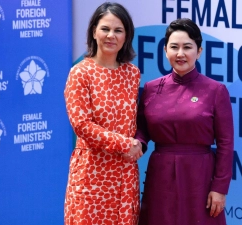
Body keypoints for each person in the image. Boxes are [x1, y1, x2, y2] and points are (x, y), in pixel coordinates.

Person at [135, 18, 234, 225]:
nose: (180, 54)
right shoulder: (152, 88)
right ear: (165, 51)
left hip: (200, 176)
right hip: (160, 174)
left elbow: (226, 144)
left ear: (199, 51)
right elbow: (142, 129)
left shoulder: (216, 90)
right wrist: (138, 143)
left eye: (187, 47)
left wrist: (220, 188)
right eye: (174, 47)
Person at [63, 2, 143, 225]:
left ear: (127, 36)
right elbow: (81, 125)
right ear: (93, 32)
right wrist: (124, 144)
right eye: (105, 29)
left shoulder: (132, 74)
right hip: (91, 173)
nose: (111, 36)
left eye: (118, 30)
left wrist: (137, 144)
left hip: (125, 174)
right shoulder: (80, 73)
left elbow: (135, 121)